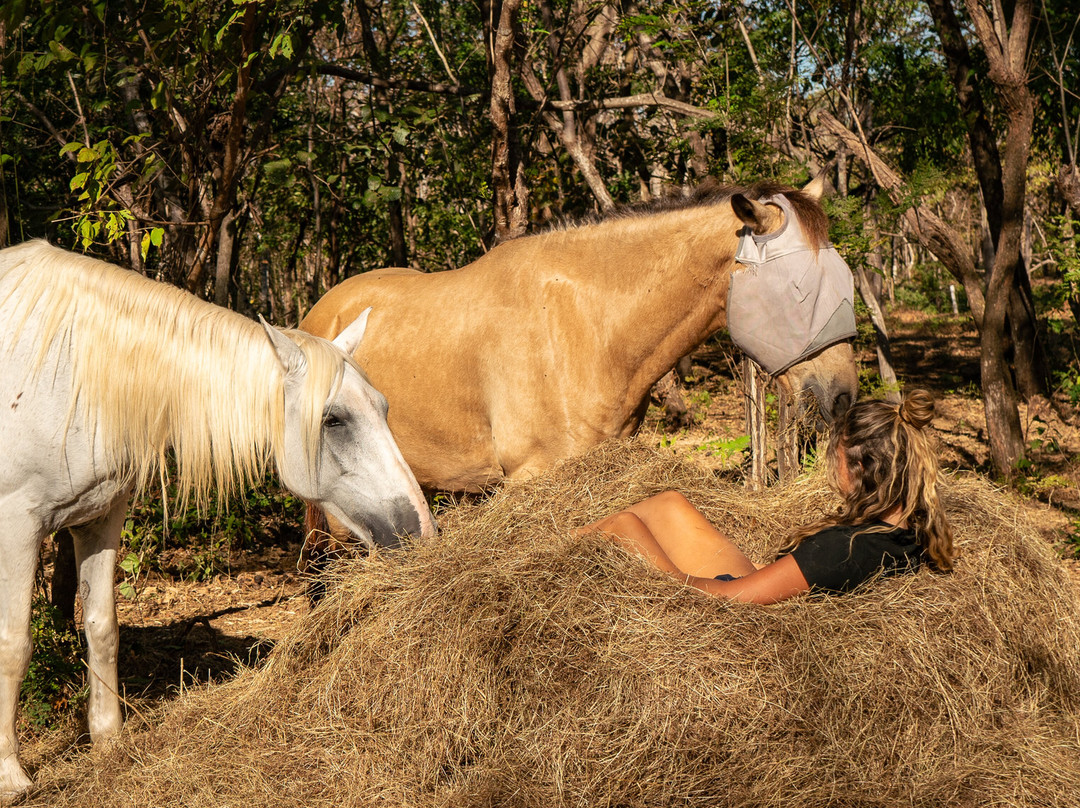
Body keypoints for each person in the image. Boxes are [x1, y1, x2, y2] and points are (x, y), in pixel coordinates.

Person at [580, 389, 955, 604]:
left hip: (732, 620)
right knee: (670, 503)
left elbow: (730, 602)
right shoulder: (909, 527)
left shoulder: (843, 550)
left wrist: (678, 579)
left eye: (836, 459)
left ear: (860, 468)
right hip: (763, 592)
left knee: (623, 525)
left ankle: (544, 556)